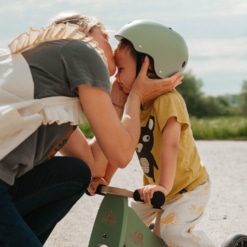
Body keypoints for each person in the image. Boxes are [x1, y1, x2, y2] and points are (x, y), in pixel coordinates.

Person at [0, 13, 183, 246]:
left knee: (75, 172)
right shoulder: (81, 49)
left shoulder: (48, 94)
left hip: (5, 187)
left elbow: (93, 165)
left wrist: (118, 101)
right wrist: (136, 97)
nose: (115, 52)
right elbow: (121, 154)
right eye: (105, 36)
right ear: (82, 33)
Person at [88, 20, 216, 247]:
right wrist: (105, 178)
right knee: (124, 224)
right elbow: (123, 146)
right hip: (154, 192)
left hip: (186, 190)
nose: (116, 77)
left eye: (122, 70)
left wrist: (163, 187)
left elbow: (171, 146)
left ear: (148, 68)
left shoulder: (169, 100)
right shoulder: (135, 106)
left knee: (172, 232)